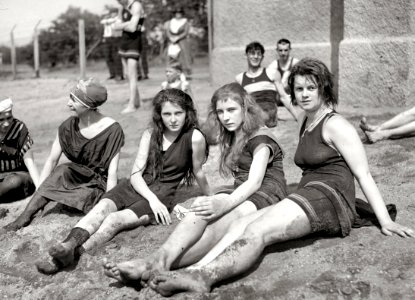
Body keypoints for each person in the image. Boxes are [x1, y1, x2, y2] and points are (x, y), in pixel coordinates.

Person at [138, 58, 413, 297]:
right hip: (308, 195)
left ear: (323, 89)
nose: (304, 94)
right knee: (243, 223)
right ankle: (194, 269)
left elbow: (363, 174)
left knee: (259, 230)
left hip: (330, 197)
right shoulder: (307, 119)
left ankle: (204, 277)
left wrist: (385, 220)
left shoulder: (336, 124)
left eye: (311, 88)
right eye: (299, 88)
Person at [103, 82, 288, 289]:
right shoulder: (235, 133)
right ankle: (157, 261)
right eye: (220, 111)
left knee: (223, 222)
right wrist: (213, 199)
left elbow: (254, 183)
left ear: (246, 108)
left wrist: (224, 204)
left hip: (267, 193)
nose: (226, 117)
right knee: (200, 210)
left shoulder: (261, 137)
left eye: (232, 110)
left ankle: (189, 270)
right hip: (242, 191)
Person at [35, 88, 211, 274]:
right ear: (159, 115)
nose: (173, 119)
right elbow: (136, 174)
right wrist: (152, 199)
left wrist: (213, 197)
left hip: (162, 193)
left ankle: (71, 256)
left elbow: (198, 171)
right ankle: (67, 245)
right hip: (136, 185)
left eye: (178, 113)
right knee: (102, 209)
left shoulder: (195, 137)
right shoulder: (150, 134)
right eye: (167, 114)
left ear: (187, 113)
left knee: (114, 220)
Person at [2, 78, 124, 232]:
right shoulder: (68, 127)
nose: (68, 103)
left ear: (87, 105)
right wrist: (40, 192)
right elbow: (51, 161)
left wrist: (106, 206)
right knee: (62, 169)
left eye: (73, 99)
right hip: (75, 176)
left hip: (98, 182)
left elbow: (113, 173)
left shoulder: (113, 130)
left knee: (90, 197)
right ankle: (24, 217)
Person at [235, 41, 298, 127]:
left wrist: (298, 117)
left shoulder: (272, 73)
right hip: (253, 126)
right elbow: (239, 104)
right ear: (246, 55)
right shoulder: (240, 78)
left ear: (262, 57)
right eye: (252, 53)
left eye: (258, 54)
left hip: (271, 125)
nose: (256, 56)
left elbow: (284, 97)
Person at [0, 98, 40, 202]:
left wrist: (40, 190)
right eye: (1, 120)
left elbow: (29, 162)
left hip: (18, 177)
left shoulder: (19, 128)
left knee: (14, 181)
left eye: (9, 118)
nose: (6, 123)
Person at [114, 0, 145, 114]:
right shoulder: (122, 7)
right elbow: (114, 27)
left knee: (132, 75)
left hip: (134, 42)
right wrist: (126, 24)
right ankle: (138, 101)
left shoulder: (136, 5)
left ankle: (132, 105)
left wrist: (121, 25)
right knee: (127, 74)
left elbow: (132, 28)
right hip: (124, 42)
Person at [165, 7, 192, 78]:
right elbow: (167, 31)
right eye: (177, 13)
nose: (178, 15)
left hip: (182, 41)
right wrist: (171, 37)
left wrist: (178, 37)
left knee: (183, 57)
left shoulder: (185, 22)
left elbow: (186, 32)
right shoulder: (171, 22)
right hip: (172, 41)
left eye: (179, 13)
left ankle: (184, 74)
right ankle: (172, 73)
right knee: (172, 56)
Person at [100, 8, 124, 81]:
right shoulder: (107, 20)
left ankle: (119, 74)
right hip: (107, 39)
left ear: (116, 13)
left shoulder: (117, 19)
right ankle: (112, 74)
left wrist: (109, 20)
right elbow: (102, 21)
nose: (110, 15)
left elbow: (115, 21)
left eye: (112, 13)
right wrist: (108, 20)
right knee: (108, 57)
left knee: (116, 57)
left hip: (114, 38)